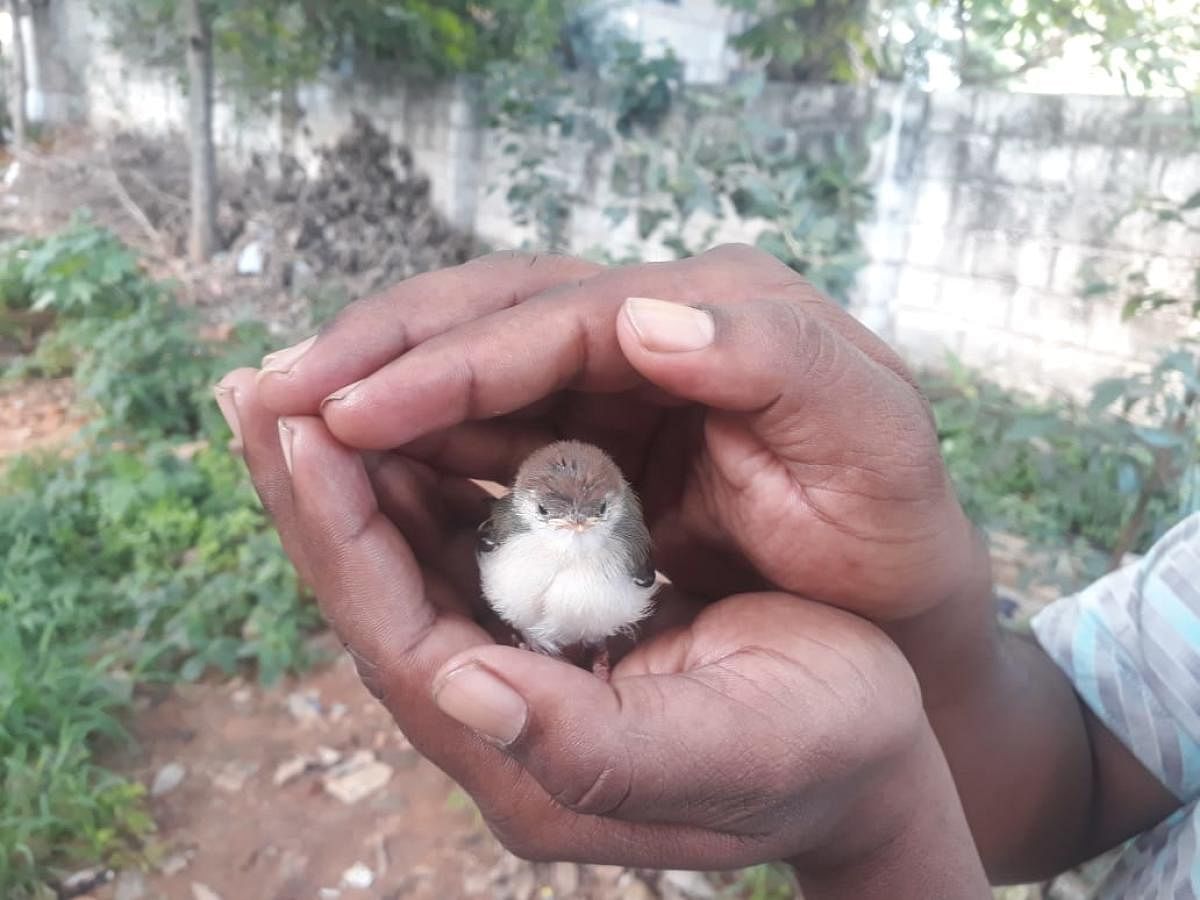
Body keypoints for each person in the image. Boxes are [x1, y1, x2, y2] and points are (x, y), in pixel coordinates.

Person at [214, 245, 1193, 898]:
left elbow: (624, 597)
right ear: (526, 509)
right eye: (553, 514)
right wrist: (926, 638)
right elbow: (1089, 754)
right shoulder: (510, 541)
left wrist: (875, 817)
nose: (572, 528)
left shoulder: (624, 556)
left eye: (589, 515)